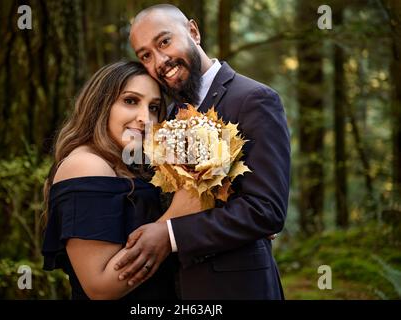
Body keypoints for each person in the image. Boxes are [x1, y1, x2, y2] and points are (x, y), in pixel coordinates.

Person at [114, 4, 291, 299]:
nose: (160, 61)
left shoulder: (253, 99)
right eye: (146, 55)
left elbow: (267, 210)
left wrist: (171, 235)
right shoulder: (166, 117)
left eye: (164, 41)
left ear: (193, 32)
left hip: (238, 288)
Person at [41, 61, 201, 300]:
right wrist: (175, 216)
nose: (144, 118)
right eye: (130, 101)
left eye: (154, 107)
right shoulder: (87, 165)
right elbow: (101, 287)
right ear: (100, 105)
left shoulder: (132, 165)